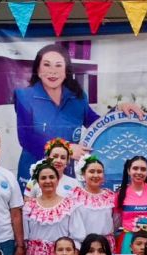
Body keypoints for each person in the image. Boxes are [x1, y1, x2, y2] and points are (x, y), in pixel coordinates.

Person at [14, 44, 99, 188]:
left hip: (67, 175)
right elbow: (26, 138)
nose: (52, 71)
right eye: (47, 65)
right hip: (35, 175)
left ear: (66, 71)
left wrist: (119, 110)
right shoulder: (24, 96)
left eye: (58, 65)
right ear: (38, 70)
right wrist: (67, 149)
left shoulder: (78, 98)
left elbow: (97, 124)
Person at [24, 159, 85, 255]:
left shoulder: (69, 204)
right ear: (38, 182)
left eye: (52, 177)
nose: (48, 181)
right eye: (43, 178)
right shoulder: (29, 206)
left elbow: (78, 235)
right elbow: (25, 236)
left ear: (57, 180)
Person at [114, 155, 147, 252]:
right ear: (129, 171)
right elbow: (115, 223)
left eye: (143, 169)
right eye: (135, 168)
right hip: (129, 240)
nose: (139, 172)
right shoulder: (120, 194)